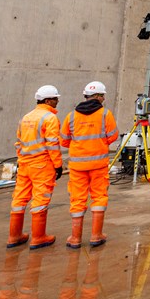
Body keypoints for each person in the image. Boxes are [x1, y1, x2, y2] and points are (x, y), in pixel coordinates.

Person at [60, 81, 119, 250]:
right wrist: (99, 144)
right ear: (99, 97)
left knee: (77, 200)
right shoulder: (105, 114)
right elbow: (113, 136)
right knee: (99, 197)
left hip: (78, 166)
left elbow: (64, 140)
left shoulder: (71, 116)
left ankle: (75, 238)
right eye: (103, 96)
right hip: (98, 164)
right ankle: (96, 235)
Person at [9, 85, 63, 249]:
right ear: (48, 100)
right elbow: (52, 144)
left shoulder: (26, 117)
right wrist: (58, 165)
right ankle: (38, 237)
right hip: (42, 164)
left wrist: (21, 159)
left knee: (19, 199)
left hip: (25, 164)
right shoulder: (50, 118)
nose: (57, 101)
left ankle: (14, 236)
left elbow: (19, 142)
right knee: (40, 199)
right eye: (55, 99)